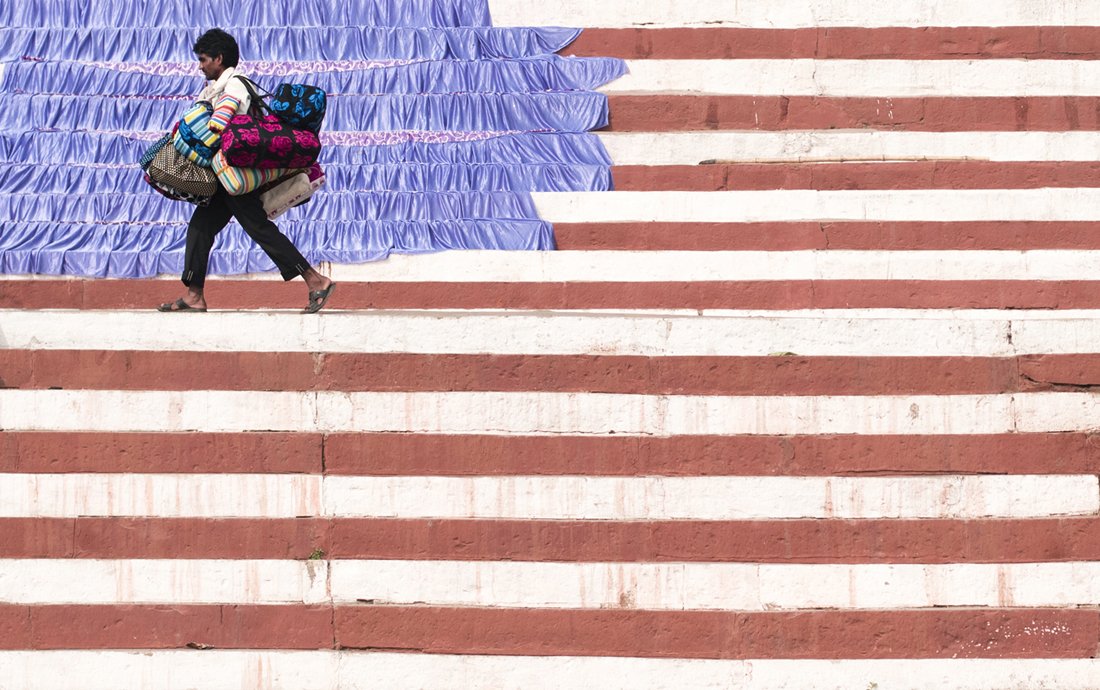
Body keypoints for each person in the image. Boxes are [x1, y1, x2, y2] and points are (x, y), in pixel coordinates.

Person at [158, 28, 336, 313]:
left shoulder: (235, 85)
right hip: (225, 176)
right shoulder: (216, 88)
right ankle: (194, 295)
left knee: (258, 228)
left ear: (219, 58)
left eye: (204, 59)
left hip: (237, 176)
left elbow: (222, 122)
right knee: (201, 227)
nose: (200, 65)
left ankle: (316, 280)